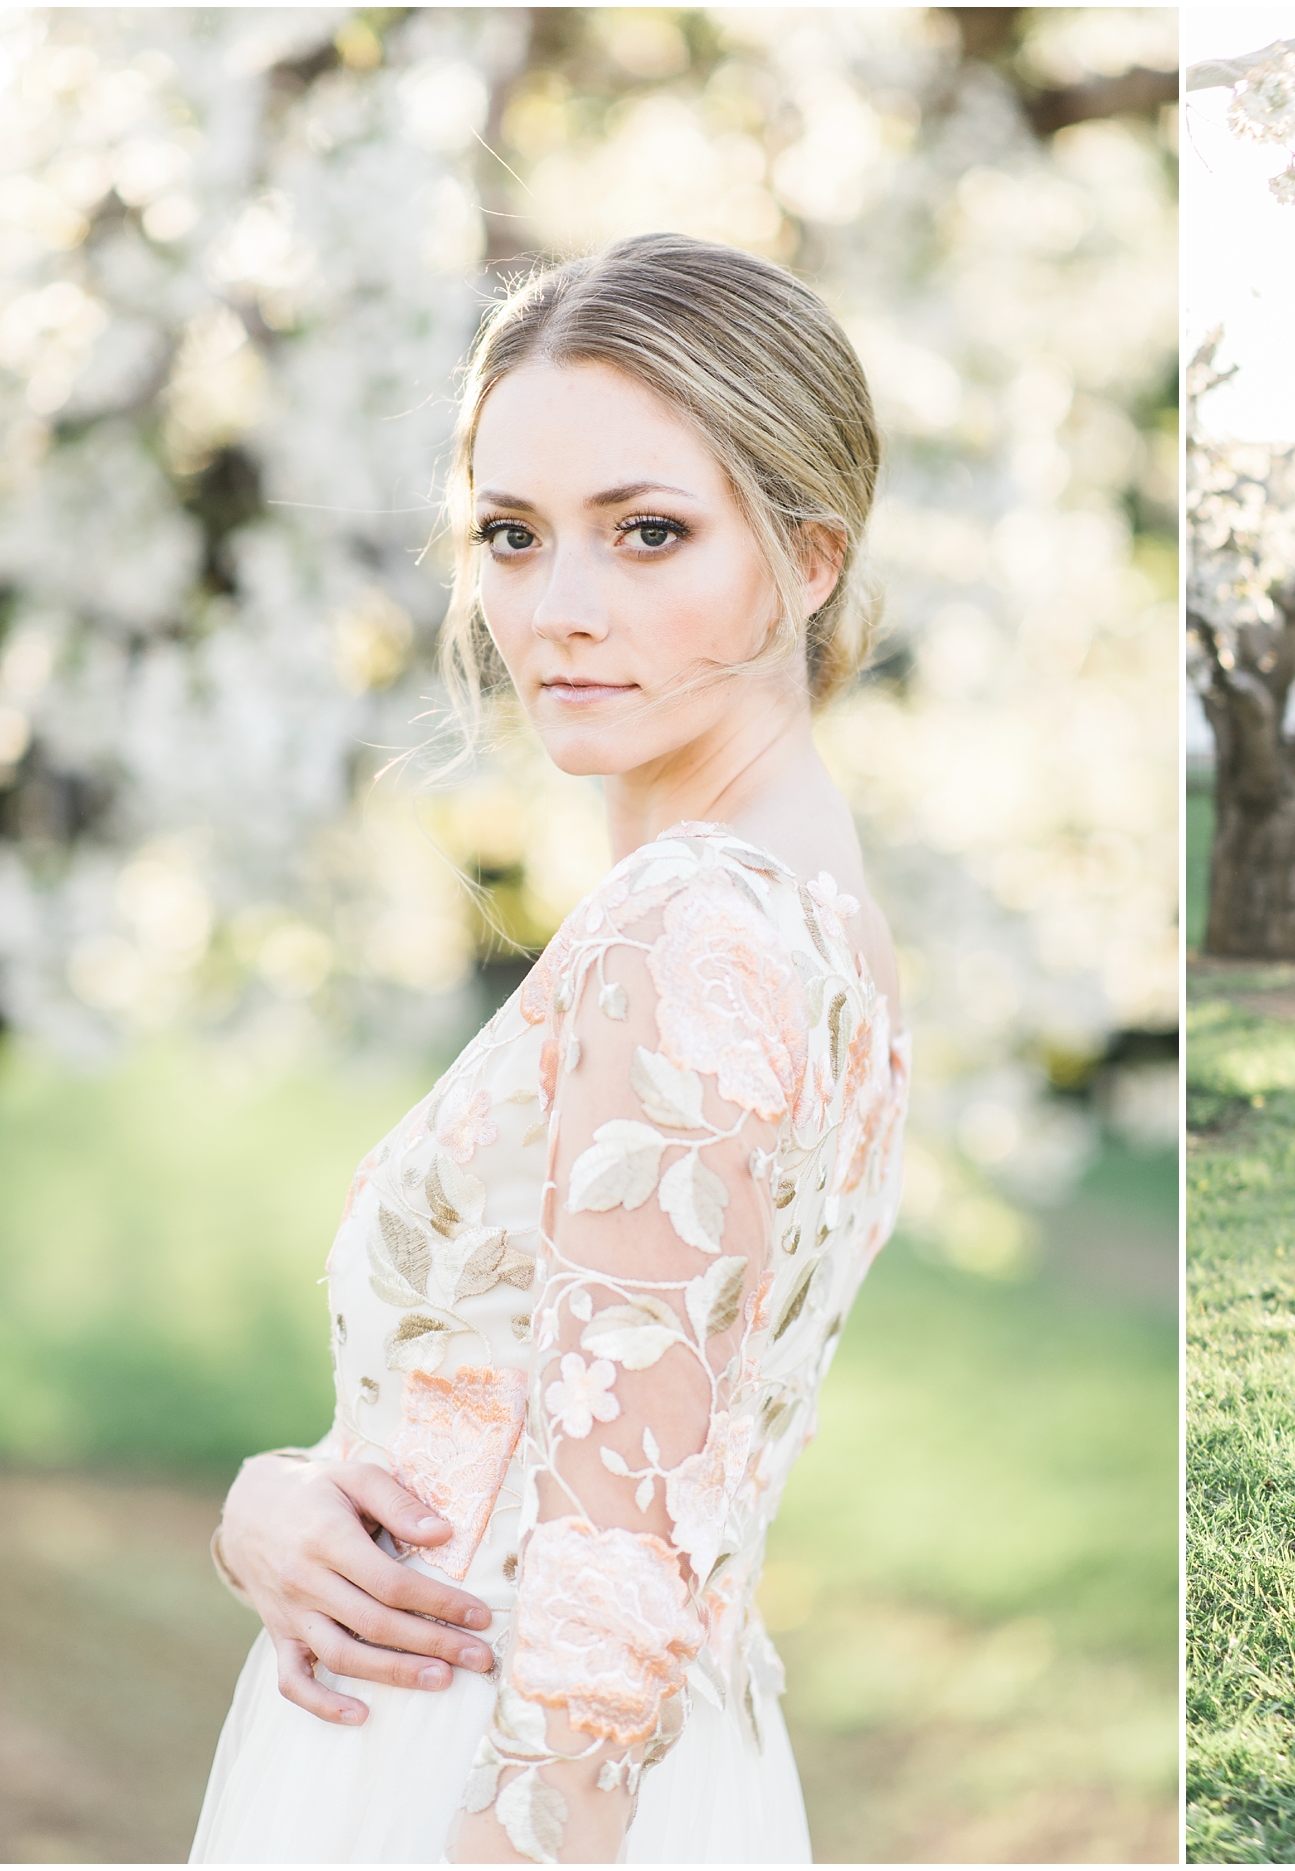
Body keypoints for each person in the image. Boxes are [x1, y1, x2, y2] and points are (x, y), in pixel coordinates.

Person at [192, 232, 908, 1862]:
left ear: (806, 555)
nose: (560, 608)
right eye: (512, 536)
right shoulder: (807, 911)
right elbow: (572, 1400)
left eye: (649, 532)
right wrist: (285, 1502)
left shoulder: (696, 932)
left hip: (488, 1790)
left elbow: (611, 1581)